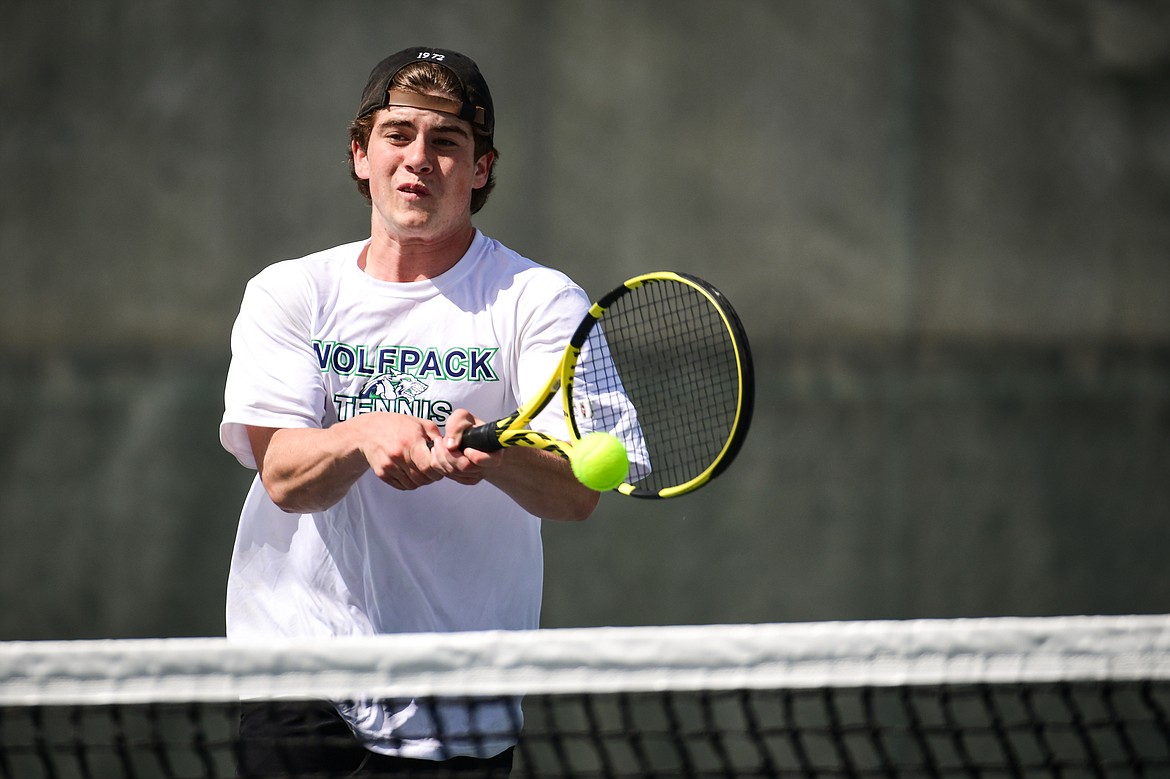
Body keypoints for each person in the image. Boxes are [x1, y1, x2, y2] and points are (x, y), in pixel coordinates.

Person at [220, 46, 600, 776]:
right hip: (299, 677)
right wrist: (366, 433)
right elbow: (288, 479)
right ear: (361, 154)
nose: (418, 158)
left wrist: (493, 459)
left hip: (458, 702)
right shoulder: (289, 293)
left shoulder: (541, 302)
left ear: (481, 168)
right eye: (398, 135)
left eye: (447, 141)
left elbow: (577, 492)